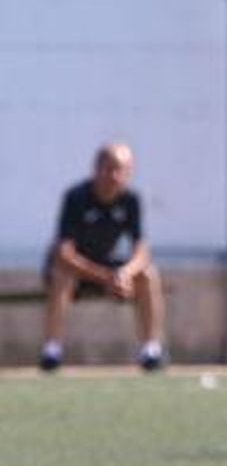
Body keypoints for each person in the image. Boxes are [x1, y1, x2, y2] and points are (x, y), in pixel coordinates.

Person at [40, 143, 165, 372]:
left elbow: (142, 249)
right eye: (109, 169)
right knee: (61, 277)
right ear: (96, 169)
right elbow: (63, 253)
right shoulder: (76, 197)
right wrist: (106, 277)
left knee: (148, 275)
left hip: (108, 269)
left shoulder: (130, 200)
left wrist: (124, 274)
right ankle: (51, 350)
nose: (114, 176)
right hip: (78, 269)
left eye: (122, 170)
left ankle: (151, 350)